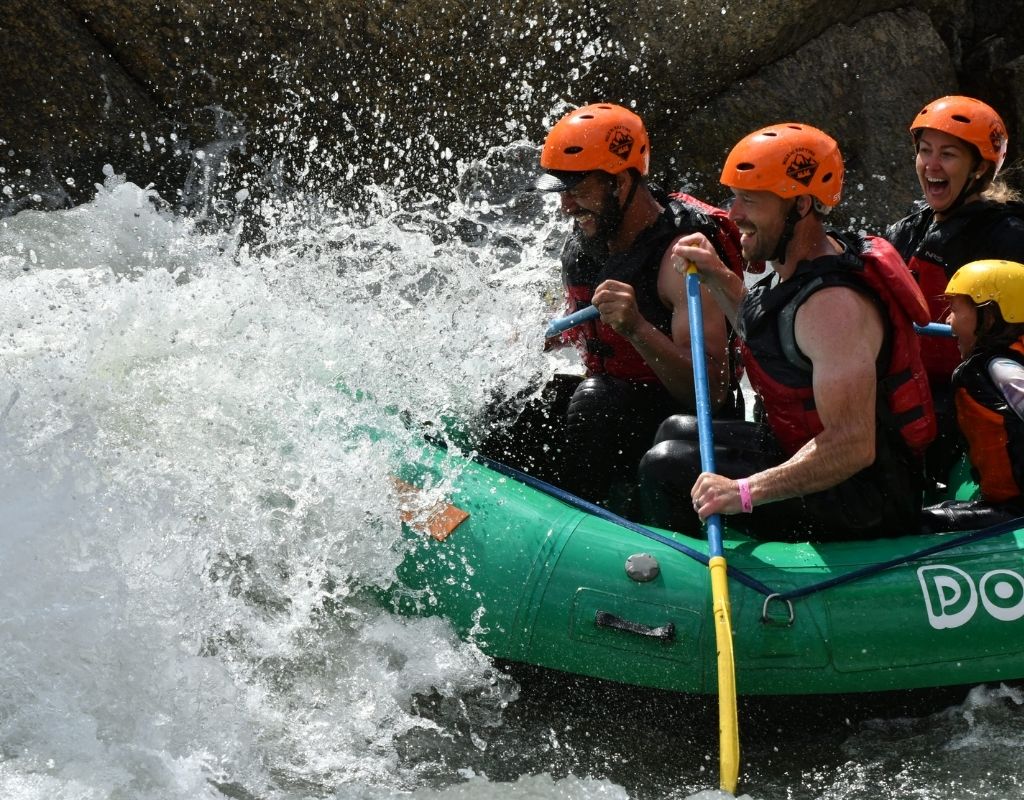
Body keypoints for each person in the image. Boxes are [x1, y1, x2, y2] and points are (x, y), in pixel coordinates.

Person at [638, 122, 936, 541]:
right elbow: (775, 335)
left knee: (666, 467)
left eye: (750, 201)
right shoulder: (802, 264)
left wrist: (744, 492)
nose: (734, 213)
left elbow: (852, 445)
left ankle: (675, 587)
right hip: (808, 452)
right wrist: (717, 275)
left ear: (799, 206)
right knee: (674, 430)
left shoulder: (834, 310)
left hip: (863, 499)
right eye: (735, 197)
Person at [481, 102, 747, 510]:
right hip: (616, 409)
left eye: (578, 190)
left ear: (620, 182)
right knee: (511, 404)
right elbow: (587, 332)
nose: (566, 206)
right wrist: (542, 336)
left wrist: (637, 328)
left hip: (684, 430)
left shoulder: (683, 256)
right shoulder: (589, 238)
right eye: (563, 192)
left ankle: (583, 521)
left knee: (595, 401)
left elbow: (711, 392)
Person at [886, 95, 1024, 488]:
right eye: (925, 151)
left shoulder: (1008, 236)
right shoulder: (907, 231)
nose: (931, 165)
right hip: (911, 381)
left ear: (979, 168)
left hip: (975, 388)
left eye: (947, 155)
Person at [921, 259, 1024, 532]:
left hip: (1017, 510)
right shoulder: (998, 365)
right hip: (1007, 504)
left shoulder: (1003, 370)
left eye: (954, 310)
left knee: (925, 522)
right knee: (942, 510)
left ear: (989, 317)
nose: (947, 320)